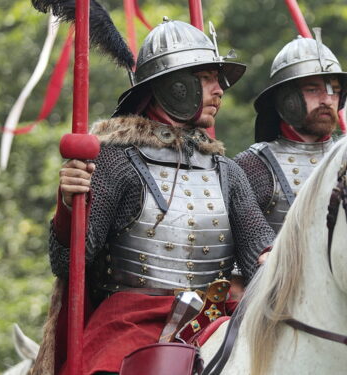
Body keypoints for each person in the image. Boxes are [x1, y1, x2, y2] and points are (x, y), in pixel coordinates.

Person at [49, 19, 274, 374]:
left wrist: (277, 259)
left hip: (211, 321)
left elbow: (260, 255)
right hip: (131, 327)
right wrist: (67, 205)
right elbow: (68, 262)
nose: (220, 91)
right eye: (207, 78)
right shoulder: (115, 158)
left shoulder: (225, 170)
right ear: (174, 85)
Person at [233, 29, 347, 233]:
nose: (327, 100)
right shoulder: (254, 165)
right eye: (312, 89)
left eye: (334, 91)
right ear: (287, 99)